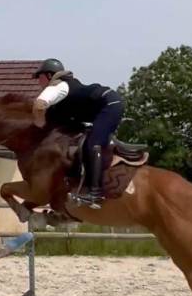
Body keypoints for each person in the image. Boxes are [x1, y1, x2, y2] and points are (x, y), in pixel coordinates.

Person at [32, 58, 124, 208]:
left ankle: (95, 194)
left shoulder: (57, 86)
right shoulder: (62, 93)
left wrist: (38, 124)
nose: (38, 81)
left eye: (39, 76)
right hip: (107, 105)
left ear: (49, 75)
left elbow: (39, 105)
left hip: (109, 105)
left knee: (93, 143)